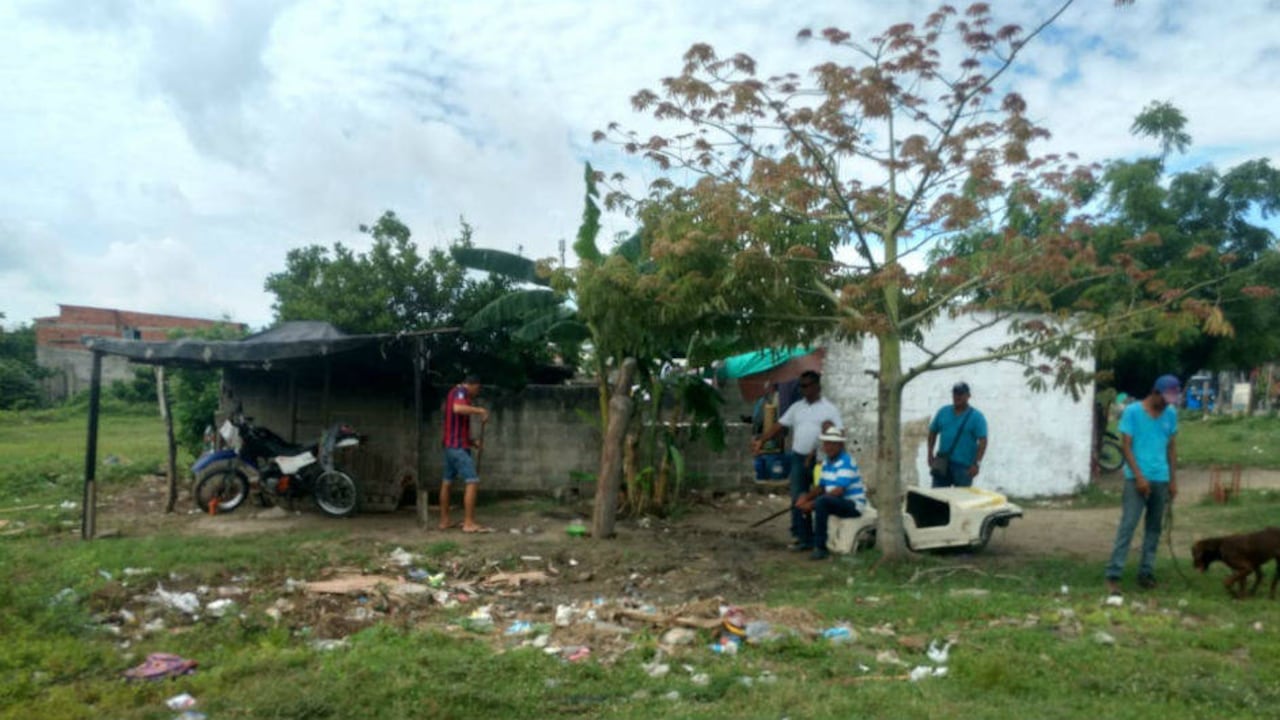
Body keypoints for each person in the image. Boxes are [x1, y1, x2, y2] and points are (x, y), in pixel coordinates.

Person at [1105, 374, 1180, 594]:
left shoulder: (1171, 414)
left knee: (1154, 528)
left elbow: (1171, 448)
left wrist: (1173, 481)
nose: (1167, 403)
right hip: (1135, 478)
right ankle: (1113, 574)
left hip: (1161, 478)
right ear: (1155, 392)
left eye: (1170, 400)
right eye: (1164, 398)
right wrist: (1138, 476)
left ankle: (1146, 572)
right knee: (1128, 525)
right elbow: (1126, 446)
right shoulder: (1133, 412)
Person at [752, 370, 844, 549]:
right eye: (801, 386)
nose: (803, 390)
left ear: (817, 386)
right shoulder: (797, 408)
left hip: (820, 461)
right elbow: (778, 426)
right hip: (798, 458)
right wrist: (761, 441)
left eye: (806, 386)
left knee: (820, 499)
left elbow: (840, 434)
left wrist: (837, 461)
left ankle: (821, 538)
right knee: (797, 497)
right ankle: (802, 537)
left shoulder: (829, 409)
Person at [794, 427, 866, 560]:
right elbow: (821, 486)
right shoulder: (827, 462)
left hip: (852, 505)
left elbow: (839, 491)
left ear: (840, 445)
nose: (828, 447)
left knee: (822, 502)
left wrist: (813, 503)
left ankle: (821, 548)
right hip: (835, 501)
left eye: (832, 444)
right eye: (826, 443)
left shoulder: (846, 461)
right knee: (801, 497)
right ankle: (806, 540)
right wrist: (806, 499)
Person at [440, 375, 491, 533]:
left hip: (451, 445)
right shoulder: (460, 392)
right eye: (477, 389)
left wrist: (472, 442)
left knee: (447, 482)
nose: (477, 392)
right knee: (472, 481)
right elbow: (458, 409)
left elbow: (456, 422)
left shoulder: (455, 393)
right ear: (472, 385)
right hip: (457, 447)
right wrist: (480, 410)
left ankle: (445, 521)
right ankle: (469, 523)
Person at [927, 382, 988, 488]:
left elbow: (983, 441)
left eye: (961, 394)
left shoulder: (977, 417)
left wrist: (976, 464)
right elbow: (933, 432)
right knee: (937, 498)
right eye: (955, 393)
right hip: (942, 463)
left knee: (961, 500)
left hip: (964, 467)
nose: (957, 396)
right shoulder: (943, 412)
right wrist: (930, 453)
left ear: (968, 396)